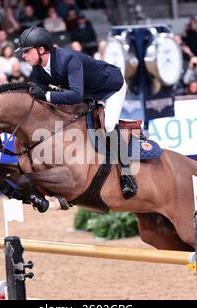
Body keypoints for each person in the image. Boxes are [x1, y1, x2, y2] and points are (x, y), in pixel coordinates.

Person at [16, 26, 137, 199]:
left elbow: (75, 95)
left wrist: (46, 94)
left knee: (109, 125)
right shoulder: (38, 69)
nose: (24, 56)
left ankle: (127, 176)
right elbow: (35, 93)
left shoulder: (68, 60)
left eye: (27, 51)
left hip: (110, 89)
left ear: (41, 50)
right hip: (88, 94)